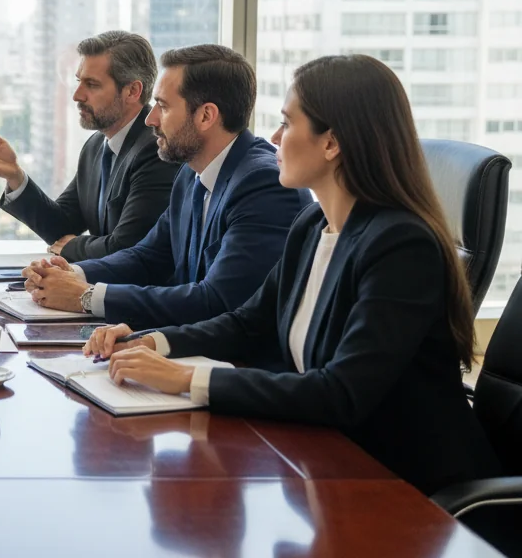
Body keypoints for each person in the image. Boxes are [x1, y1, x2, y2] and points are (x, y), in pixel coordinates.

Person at [83, 55, 501, 494]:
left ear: (332, 143)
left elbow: (341, 392)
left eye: (287, 123)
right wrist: (152, 342)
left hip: (409, 490)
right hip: (325, 465)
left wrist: (186, 379)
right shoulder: (312, 226)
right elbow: (248, 322)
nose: (275, 138)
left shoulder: (401, 247)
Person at [22, 44, 310, 330]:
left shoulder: (264, 184)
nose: (151, 119)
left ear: (206, 116)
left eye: (163, 106)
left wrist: (86, 296)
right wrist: (72, 272)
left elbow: (217, 300)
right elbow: (149, 257)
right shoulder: (190, 172)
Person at [0, 30, 179, 261]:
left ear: (133, 91)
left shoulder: (156, 151)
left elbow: (127, 248)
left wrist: (72, 247)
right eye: (78, 81)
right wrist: (16, 177)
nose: (77, 95)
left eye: (91, 85)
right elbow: (61, 226)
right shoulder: (95, 146)